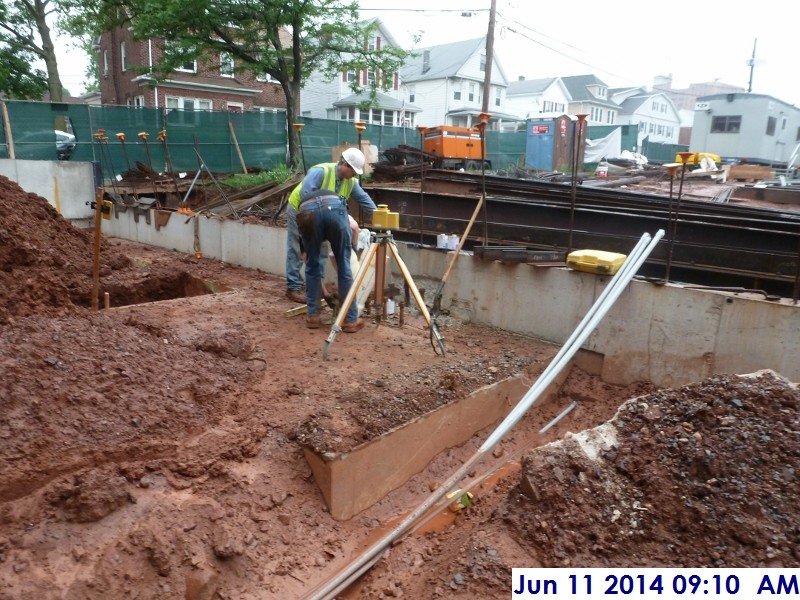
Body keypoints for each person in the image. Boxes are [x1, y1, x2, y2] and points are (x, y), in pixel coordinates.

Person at [284, 148, 376, 303]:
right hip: (301, 210)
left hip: (321, 216)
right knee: (298, 247)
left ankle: (315, 289)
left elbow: (364, 199)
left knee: (320, 252)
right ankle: (293, 287)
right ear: (344, 164)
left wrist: (379, 216)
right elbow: (306, 193)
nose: (354, 175)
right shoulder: (321, 172)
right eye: (353, 171)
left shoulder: (350, 182)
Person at [295, 191, 364, 332]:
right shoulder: (345, 213)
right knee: (344, 267)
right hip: (334, 210)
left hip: (308, 212)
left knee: (312, 265)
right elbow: (355, 228)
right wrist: (354, 249)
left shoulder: (304, 205)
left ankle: (313, 316)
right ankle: (350, 320)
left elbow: (304, 247)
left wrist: (305, 250)